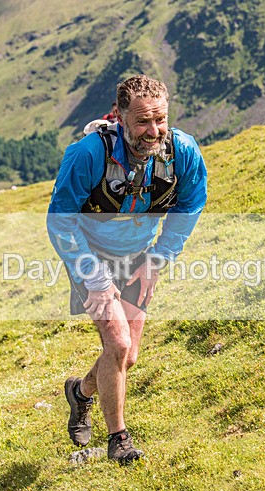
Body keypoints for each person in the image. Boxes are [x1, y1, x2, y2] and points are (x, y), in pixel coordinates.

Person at [47, 75, 207, 464]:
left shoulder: (183, 151)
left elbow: (189, 205)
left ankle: (80, 393)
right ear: (120, 118)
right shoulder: (88, 154)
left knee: (127, 356)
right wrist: (94, 278)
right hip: (90, 255)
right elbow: (61, 220)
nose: (153, 131)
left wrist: (159, 258)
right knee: (117, 344)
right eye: (142, 122)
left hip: (139, 256)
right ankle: (119, 440)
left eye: (160, 120)